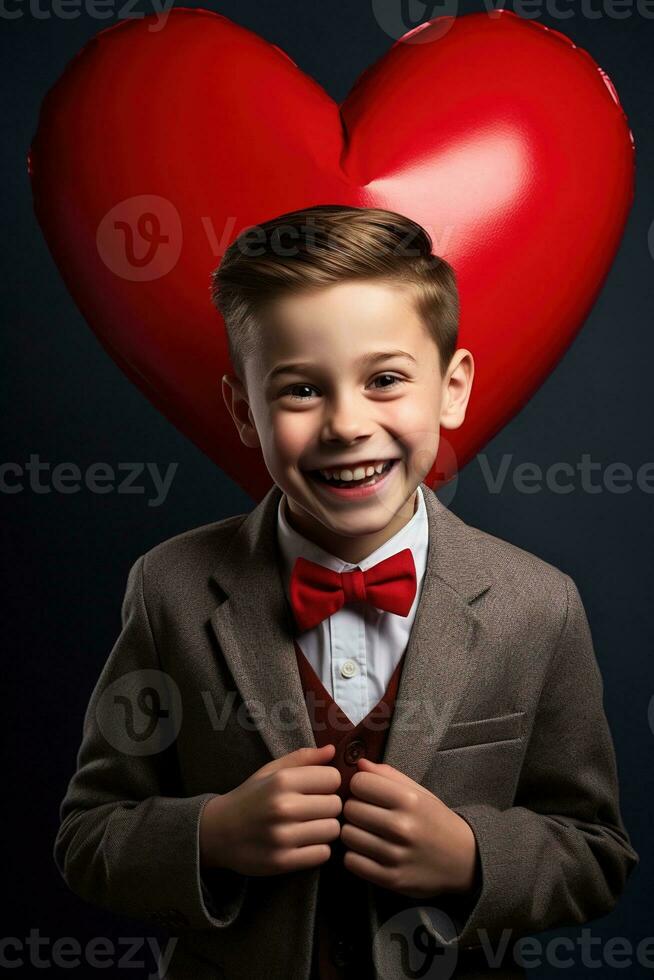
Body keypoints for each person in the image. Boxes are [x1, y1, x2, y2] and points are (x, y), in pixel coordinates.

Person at [54, 205, 638, 980]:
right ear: (243, 411)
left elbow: (597, 852)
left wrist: (470, 855)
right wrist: (214, 834)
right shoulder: (170, 587)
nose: (346, 424)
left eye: (386, 379)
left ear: (452, 389)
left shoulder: (540, 605)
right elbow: (89, 836)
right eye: (300, 391)